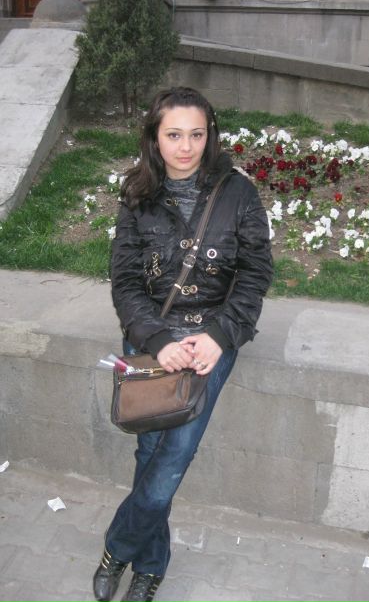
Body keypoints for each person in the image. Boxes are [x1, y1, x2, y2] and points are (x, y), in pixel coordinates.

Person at [93, 87, 273, 602]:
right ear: (155, 137)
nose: (186, 147)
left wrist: (218, 336)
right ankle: (151, 567)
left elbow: (255, 272)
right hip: (152, 336)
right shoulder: (137, 195)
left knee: (171, 458)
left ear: (209, 135)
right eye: (174, 135)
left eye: (196, 134)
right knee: (149, 449)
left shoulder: (238, 193)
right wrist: (156, 339)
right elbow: (126, 281)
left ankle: (117, 549)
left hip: (212, 338)